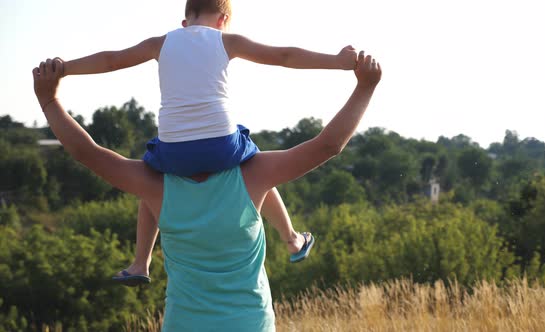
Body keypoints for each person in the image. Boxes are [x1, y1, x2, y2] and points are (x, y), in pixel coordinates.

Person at [33, 51, 381, 331]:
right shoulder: (253, 175)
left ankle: (142, 262)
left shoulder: (155, 186)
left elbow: (89, 154)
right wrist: (365, 86)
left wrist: (49, 100)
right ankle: (291, 238)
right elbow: (328, 145)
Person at [57, 0, 358, 284]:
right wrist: (337, 62)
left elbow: (110, 60)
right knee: (257, 167)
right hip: (221, 146)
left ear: (185, 22)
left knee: (150, 181)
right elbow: (284, 56)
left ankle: (140, 263)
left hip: (174, 153)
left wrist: (64, 68)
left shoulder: (160, 43)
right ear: (223, 20)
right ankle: (292, 238)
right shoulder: (226, 40)